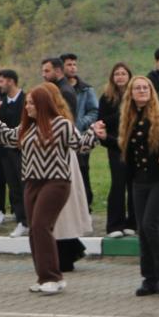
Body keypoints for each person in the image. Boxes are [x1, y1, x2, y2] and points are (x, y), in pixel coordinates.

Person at [0, 82, 94, 294]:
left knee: (42, 226)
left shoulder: (61, 124)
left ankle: (52, 277)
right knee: (35, 230)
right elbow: (7, 137)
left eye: (32, 103)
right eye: (27, 103)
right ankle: (45, 277)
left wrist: (95, 133)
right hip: (32, 182)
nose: (28, 107)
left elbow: (81, 145)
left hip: (56, 182)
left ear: (43, 104)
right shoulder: (28, 126)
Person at [112, 75, 159, 296]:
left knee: (150, 225)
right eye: (137, 88)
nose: (142, 91)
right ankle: (149, 279)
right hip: (139, 182)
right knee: (142, 230)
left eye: (145, 87)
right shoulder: (127, 118)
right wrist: (101, 136)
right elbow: (119, 146)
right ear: (131, 93)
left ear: (151, 91)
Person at [96, 63, 136, 237]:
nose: (120, 77)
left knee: (134, 184)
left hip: (135, 144)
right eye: (117, 74)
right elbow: (102, 121)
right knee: (118, 184)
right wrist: (122, 113)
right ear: (112, 77)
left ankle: (133, 223)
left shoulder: (136, 94)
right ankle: (114, 225)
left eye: (123, 73)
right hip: (114, 144)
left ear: (129, 76)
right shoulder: (106, 97)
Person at [60, 53, 99, 205]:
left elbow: (94, 111)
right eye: (69, 64)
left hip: (81, 138)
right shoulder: (56, 89)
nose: (73, 67)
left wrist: (80, 124)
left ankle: (86, 205)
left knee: (83, 172)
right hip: (61, 139)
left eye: (74, 64)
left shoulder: (86, 89)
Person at [0, 69, 27, 236]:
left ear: (11, 81)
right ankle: (22, 221)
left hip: (24, 151)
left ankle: (32, 220)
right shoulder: (0, 103)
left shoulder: (27, 99)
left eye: (1, 81)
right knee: (14, 188)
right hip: (6, 153)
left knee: (27, 186)